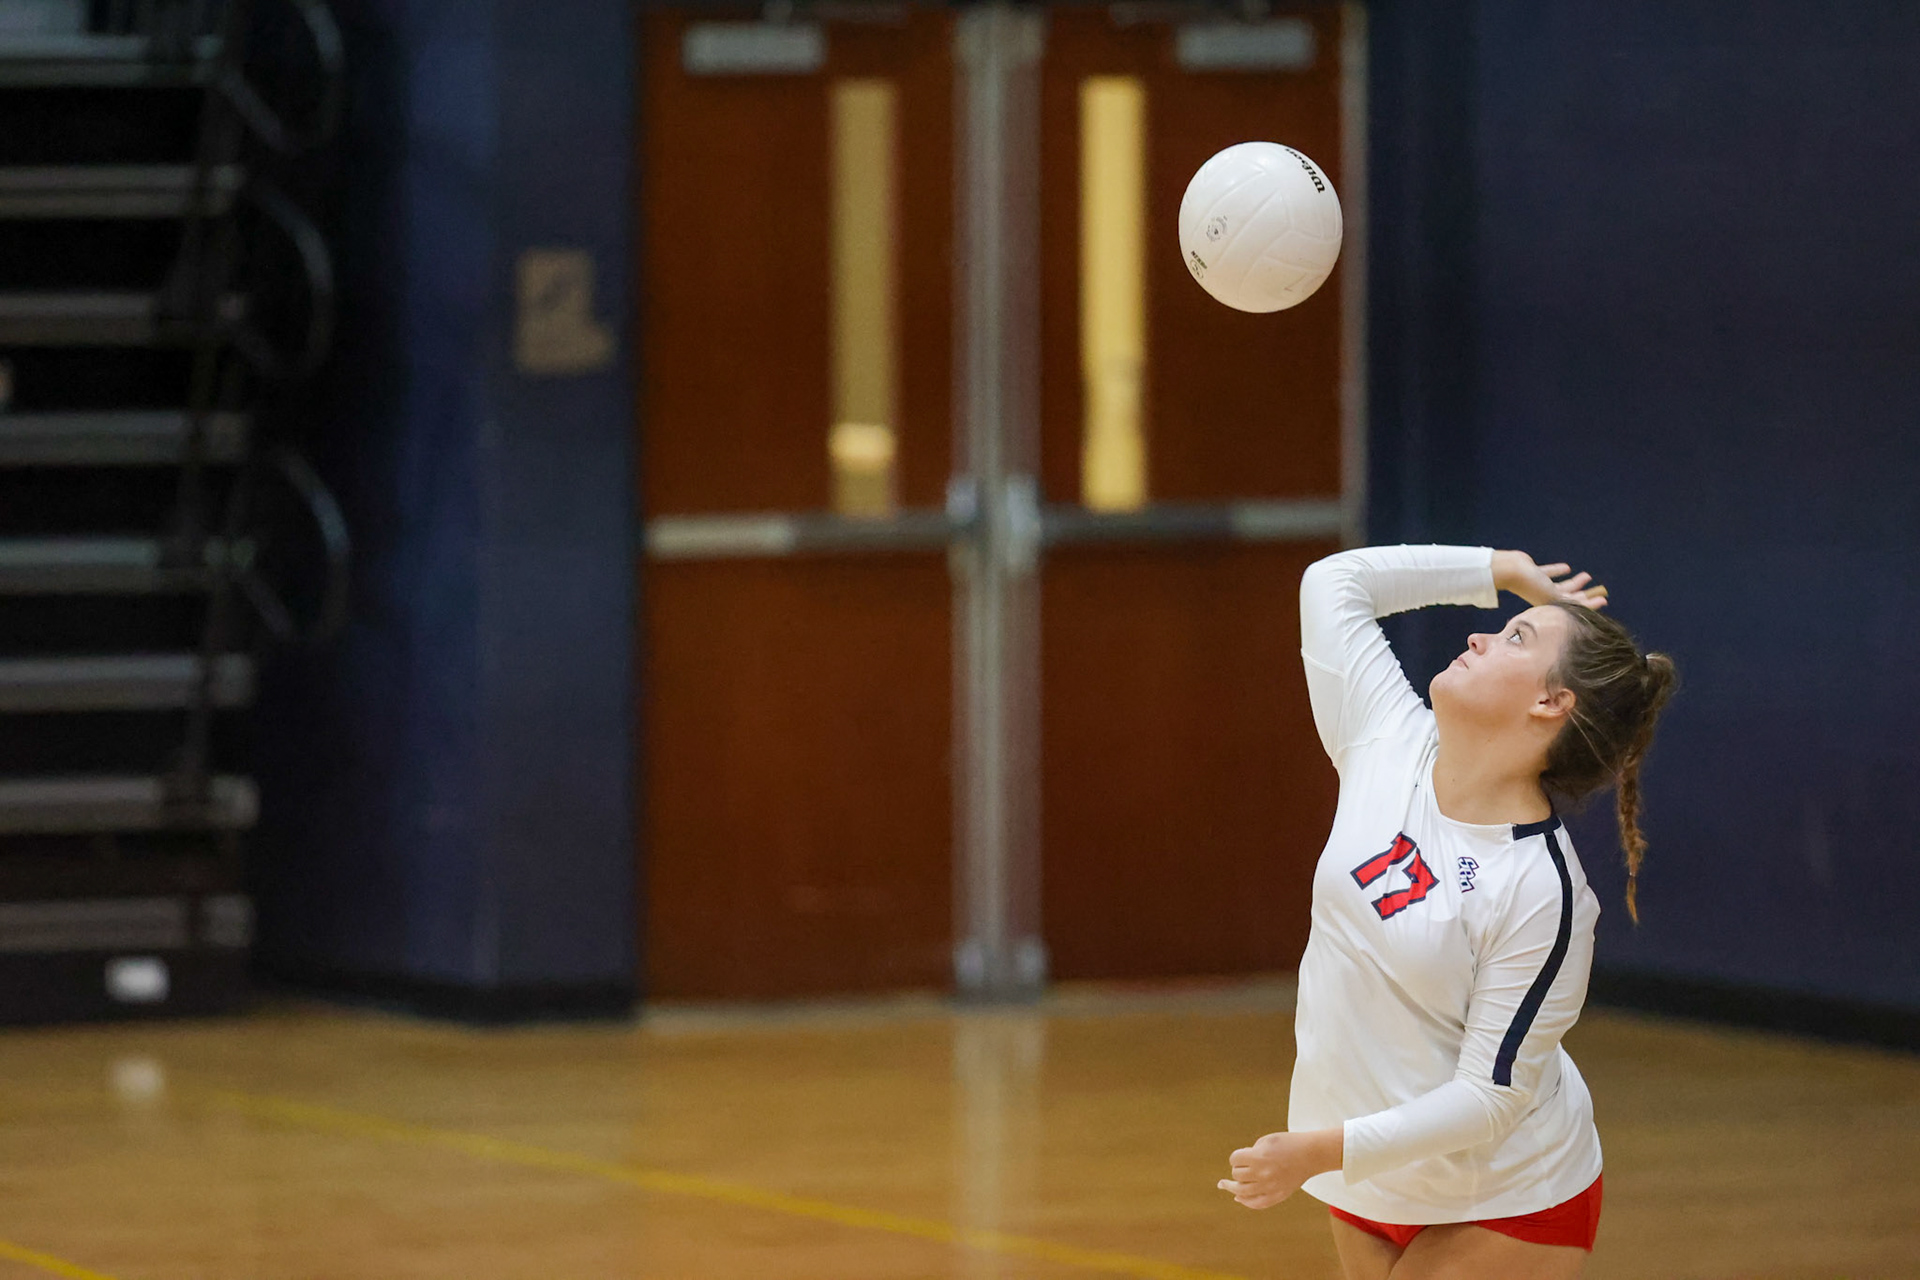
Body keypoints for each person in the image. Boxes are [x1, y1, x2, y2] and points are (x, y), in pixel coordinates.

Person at [1216, 545, 1678, 1279]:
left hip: (1506, 1193)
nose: (1479, 634)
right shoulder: (1387, 741)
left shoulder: (1541, 890)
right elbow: (1333, 583)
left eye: (1516, 637)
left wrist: (1320, 1148)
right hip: (1370, 1172)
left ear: (1551, 703)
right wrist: (1501, 570)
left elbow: (1489, 1099)